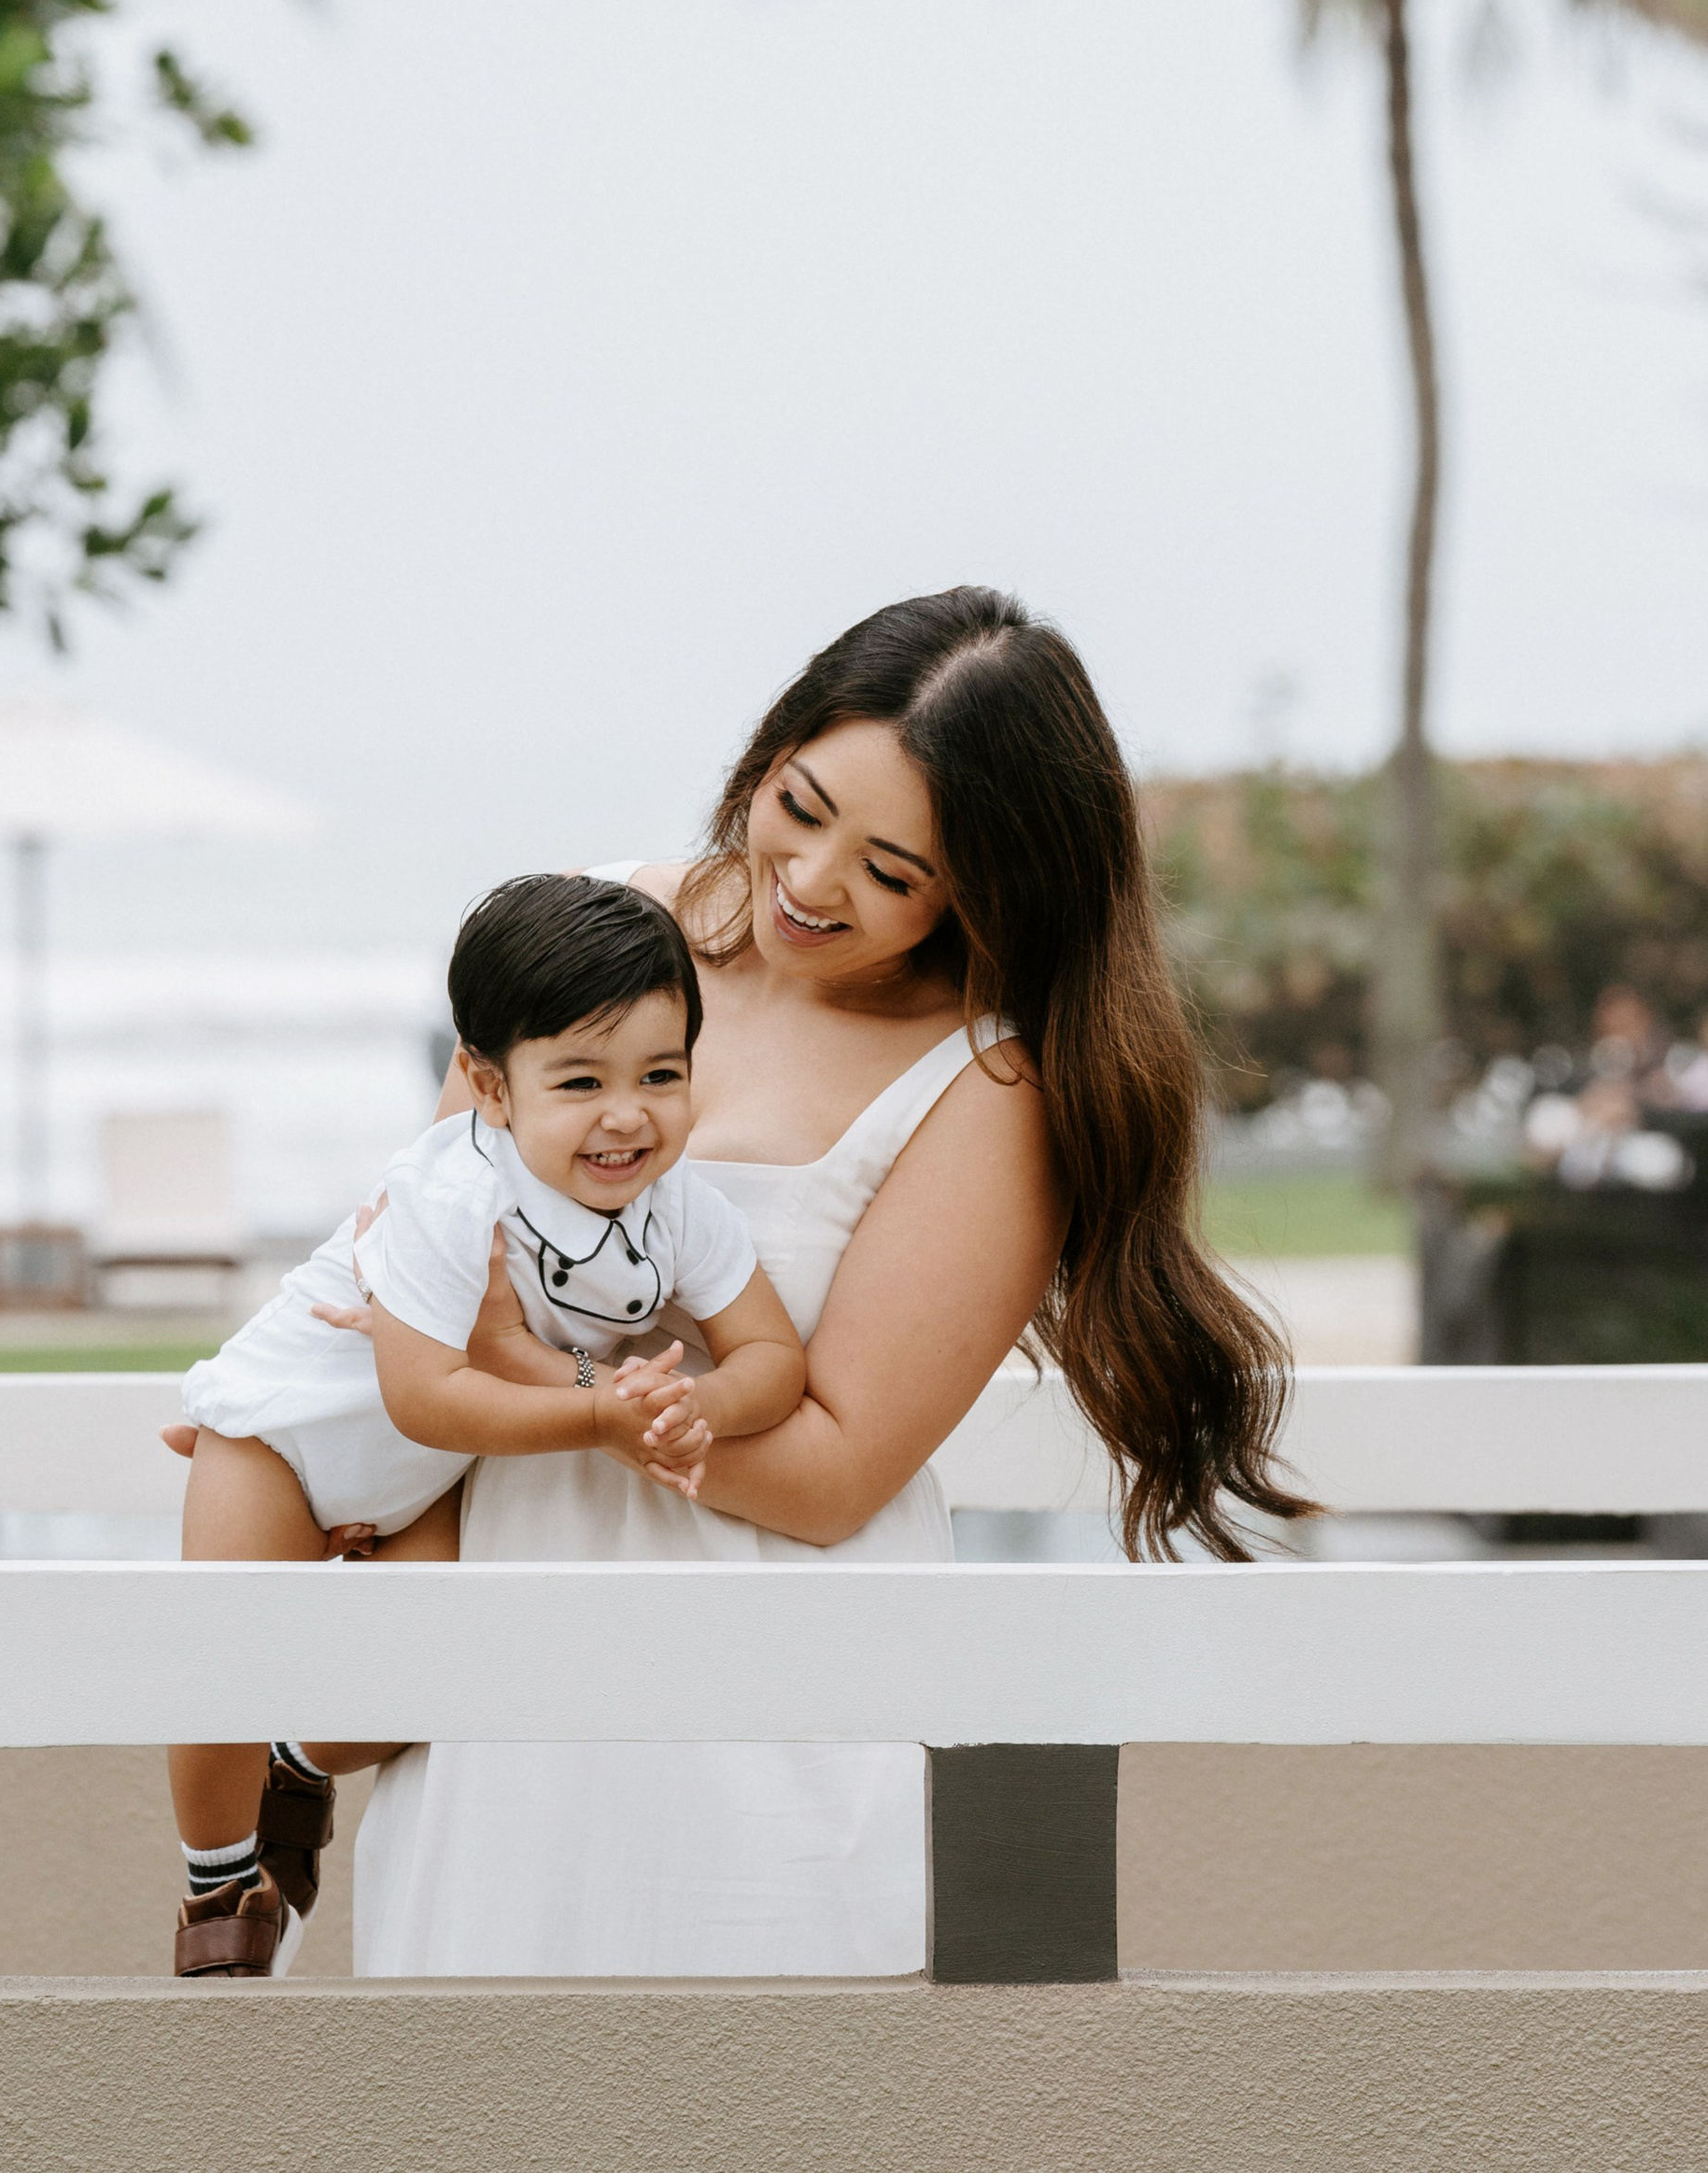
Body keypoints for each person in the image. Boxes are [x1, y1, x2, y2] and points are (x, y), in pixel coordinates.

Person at [321, 586, 1309, 1978]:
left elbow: (839, 1465)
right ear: (773, 744)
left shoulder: (986, 1082)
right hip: (506, 1678)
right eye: (800, 802)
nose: (812, 878)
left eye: (894, 870)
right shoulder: (612, 928)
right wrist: (302, 1429)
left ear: (985, 888)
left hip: (765, 1710)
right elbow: (423, 1240)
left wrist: (563, 1387)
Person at [164, 868, 807, 1974]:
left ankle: (301, 1760)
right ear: (489, 1085)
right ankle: (217, 1877)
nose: (627, 1113)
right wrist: (606, 1415)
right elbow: (425, 1393)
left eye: (662, 1072)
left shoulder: (681, 1208)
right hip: (284, 1438)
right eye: (579, 1080)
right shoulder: (454, 1192)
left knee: (429, 1677)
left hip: (427, 1475)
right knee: (225, 1654)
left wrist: (692, 1408)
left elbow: (774, 1356)